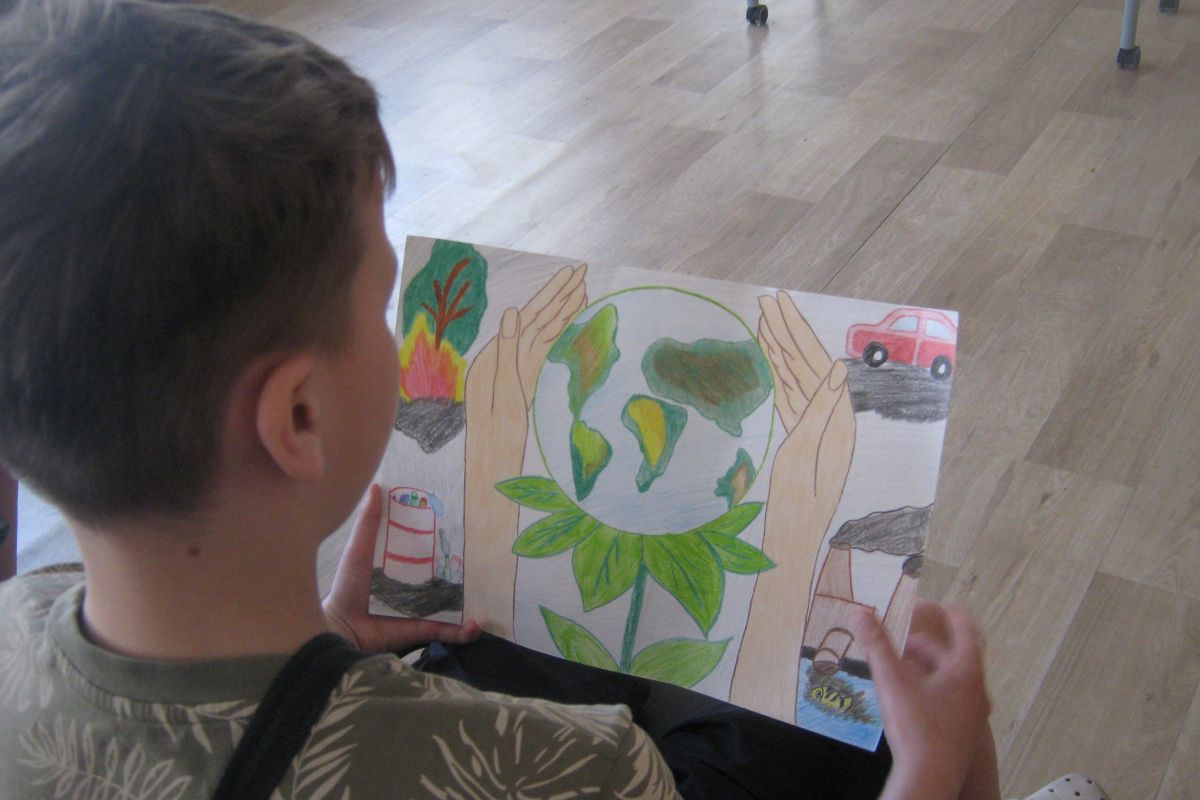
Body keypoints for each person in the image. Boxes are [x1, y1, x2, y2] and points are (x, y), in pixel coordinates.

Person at [0, 1, 1000, 798]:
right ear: (298, 418)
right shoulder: (575, 769)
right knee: (874, 710)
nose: (400, 331)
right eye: (381, 305)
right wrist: (934, 767)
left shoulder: (18, 617)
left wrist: (328, 638)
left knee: (531, 622)